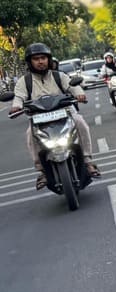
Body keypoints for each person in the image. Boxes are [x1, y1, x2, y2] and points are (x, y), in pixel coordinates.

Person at [9, 43, 100, 189]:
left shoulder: (59, 76)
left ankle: (88, 162)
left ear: (49, 59)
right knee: (30, 134)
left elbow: (72, 86)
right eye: (36, 59)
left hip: (65, 113)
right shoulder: (24, 81)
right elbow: (19, 96)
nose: (40, 61)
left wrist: (79, 94)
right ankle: (42, 171)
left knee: (80, 122)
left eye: (43, 58)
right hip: (39, 118)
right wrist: (16, 106)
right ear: (30, 62)